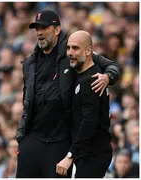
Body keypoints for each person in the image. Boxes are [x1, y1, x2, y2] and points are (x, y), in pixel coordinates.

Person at [15, 10, 120, 178]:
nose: (40, 32)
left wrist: (108, 77)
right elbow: (27, 102)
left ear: (57, 30)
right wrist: (22, 139)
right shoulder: (30, 63)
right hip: (32, 138)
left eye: (44, 28)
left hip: (60, 141)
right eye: (37, 29)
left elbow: (111, 65)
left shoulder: (72, 52)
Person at [56, 31, 112, 177]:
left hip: (94, 153)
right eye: (68, 48)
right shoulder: (82, 76)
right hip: (88, 153)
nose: (70, 52)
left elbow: (89, 121)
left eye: (75, 48)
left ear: (88, 51)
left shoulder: (91, 80)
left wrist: (70, 155)